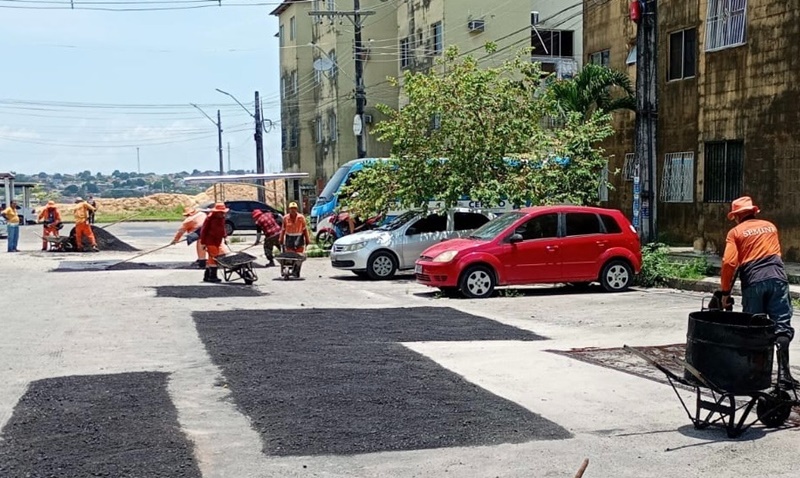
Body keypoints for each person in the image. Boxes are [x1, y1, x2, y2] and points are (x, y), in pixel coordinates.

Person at [720, 196, 797, 388]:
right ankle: (783, 375)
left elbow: (729, 263)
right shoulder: (770, 226)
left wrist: (724, 293)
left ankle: (753, 376)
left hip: (754, 282)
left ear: (737, 216)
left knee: (753, 328)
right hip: (778, 279)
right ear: (754, 211)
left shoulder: (735, 232)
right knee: (782, 327)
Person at [199, 202, 229, 283]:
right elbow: (203, 231)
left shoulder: (222, 218)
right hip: (210, 240)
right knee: (214, 257)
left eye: (223, 212)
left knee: (212, 257)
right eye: (221, 212)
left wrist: (225, 236)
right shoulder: (209, 218)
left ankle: (207, 276)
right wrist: (203, 242)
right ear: (216, 212)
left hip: (217, 240)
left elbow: (223, 229)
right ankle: (213, 276)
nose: (222, 214)